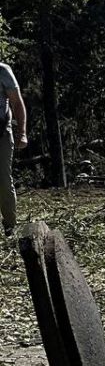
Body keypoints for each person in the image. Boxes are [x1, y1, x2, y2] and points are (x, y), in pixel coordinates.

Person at [0, 62, 27, 237]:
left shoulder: (3, 71)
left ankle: (10, 226)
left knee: (2, 180)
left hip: (1, 132)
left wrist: (22, 133)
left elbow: (17, 103)